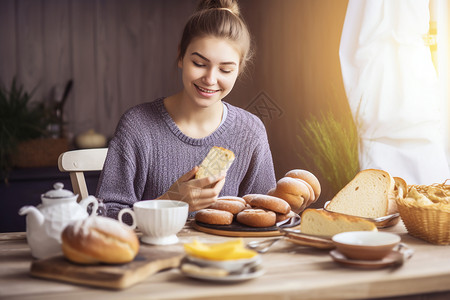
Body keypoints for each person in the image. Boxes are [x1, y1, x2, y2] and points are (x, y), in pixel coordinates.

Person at [97, 0, 276, 220]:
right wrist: (172, 201)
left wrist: (287, 210)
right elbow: (104, 216)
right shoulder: (138, 125)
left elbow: (265, 217)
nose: (210, 79)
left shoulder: (251, 131)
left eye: (225, 69)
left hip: (225, 255)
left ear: (239, 70)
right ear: (181, 56)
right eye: (199, 64)